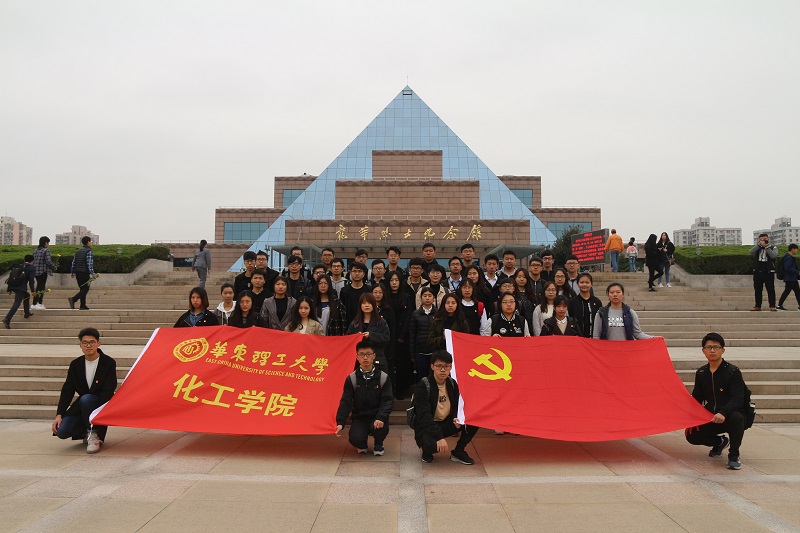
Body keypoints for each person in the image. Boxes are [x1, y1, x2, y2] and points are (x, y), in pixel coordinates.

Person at [685, 332, 746, 470]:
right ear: (703, 351)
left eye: (716, 347)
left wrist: (723, 412)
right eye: (708, 347)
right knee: (691, 434)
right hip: (711, 415)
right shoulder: (701, 373)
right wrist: (690, 416)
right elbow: (697, 397)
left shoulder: (732, 371)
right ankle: (720, 442)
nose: (712, 350)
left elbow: (738, 398)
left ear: (723, 350)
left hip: (730, 414)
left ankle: (734, 455)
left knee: (737, 418)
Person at [52, 328, 117, 454]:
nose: (88, 346)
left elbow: (109, 389)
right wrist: (59, 414)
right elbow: (67, 390)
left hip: (100, 403)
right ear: (80, 345)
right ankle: (86, 431)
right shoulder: (76, 364)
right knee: (61, 431)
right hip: (83, 404)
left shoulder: (108, 363)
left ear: (98, 344)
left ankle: (94, 435)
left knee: (87, 398)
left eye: (92, 342)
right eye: (85, 343)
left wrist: (99, 414)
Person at [413, 350, 478, 465]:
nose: (443, 370)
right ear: (432, 366)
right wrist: (439, 437)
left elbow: (457, 405)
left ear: (451, 367)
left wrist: (457, 418)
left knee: (473, 422)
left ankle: (458, 451)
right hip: (428, 425)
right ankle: (427, 451)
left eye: (446, 366)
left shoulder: (452, 383)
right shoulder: (423, 385)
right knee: (431, 445)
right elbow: (424, 416)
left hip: (446, 422)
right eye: (439, 366)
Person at [335, 339, 394, 456]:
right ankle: (362, 444)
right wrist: (340, 422)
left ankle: (378, 442)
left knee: (380, 428)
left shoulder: (383, 377)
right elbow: (346, 401)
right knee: (355, 438)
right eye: (362, 354)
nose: (365, 358)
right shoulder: (352, 379)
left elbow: (388, 401)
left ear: (374, 356)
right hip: (360, 417)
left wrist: (381, 417)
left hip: (377, 416)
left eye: (368, 354)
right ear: (357, 357)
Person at [346, 293, 391, 373]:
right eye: (364, 303)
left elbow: (386, 338)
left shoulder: (381, 322)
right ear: (360, 305)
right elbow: (348, 339)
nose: (367, 305)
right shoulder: (355, 323)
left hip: (377, 360)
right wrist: (357, 336)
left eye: (369, 303)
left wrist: (371, 336)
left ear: (374, 305)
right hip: (358, 362)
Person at [386, 270, 413, 399]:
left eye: (396, 280)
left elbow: (409, 317)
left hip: (402, 338)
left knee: (402, 366)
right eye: (391, 280)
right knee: (389, 365)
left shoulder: (406, 297)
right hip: (388, 337)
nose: (394, 283)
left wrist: (402, 335)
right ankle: (389, 390)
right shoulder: (385, 297)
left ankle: (402, 390)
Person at [409, 287, 437, 382]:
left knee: (434, 377)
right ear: (421, 298)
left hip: (434, 352)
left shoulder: (438, 313)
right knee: (422, 377)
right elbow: (412, 334)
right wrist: (412, 353)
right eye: (425, 296)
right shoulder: (415, 314)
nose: (427, 298)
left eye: (430, 296)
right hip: (420, 352)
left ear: (434, 298)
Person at [3, 254, 35, 329]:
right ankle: (7, 319)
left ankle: (27, 312)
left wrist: (9, 289)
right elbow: (31, 281)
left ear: (24, 260)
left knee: (26, 295)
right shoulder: (31, 268)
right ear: (32, 261)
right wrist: (33, 290)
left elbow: (11, 277)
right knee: (17, 303)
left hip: (14, 286)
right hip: (21, 288)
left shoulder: (18, 266)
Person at [568, 273, 603, 338]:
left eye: (587, 282)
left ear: (591, 284)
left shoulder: (597, 302)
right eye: (581, 282)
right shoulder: (572, 302)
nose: (584, 284)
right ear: (577, 284)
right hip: (578, 338)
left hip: (594, 338)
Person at [750, 233, 778, 311]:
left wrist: (767, 247)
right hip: (758, 271)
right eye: (761, 239)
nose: (763, 241)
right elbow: (751, 252)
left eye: (765, 239)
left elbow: (773, 256)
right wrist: (759, 245)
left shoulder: (773, 247)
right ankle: (757, 305)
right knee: (758, 289)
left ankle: (772, 305)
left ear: (768, 239)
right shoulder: (757, 248)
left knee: (770, 289)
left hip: (769, 272)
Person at [68, 236, 96, 310]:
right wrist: (93, 273)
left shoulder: (78, 251)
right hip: (84, 273)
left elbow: (74, 262)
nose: (91, 243)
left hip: (78, 273)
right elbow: (89, 264)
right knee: (86, 289)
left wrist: (72, 272)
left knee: (82, 289)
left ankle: (82, 305)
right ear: (88, 242)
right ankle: (73, 299)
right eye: (90, 241)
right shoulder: (88, 251)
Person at [32, 236, 57, 310]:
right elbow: (48, 261)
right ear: (45, 243)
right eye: (48, 243)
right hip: (43, 271)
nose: (48, 244)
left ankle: (36, 303)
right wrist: (54, 267)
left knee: (39, 287)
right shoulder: (46, 250)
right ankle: (37, 303)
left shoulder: (35, 251)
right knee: (41, 288)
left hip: (35, 271)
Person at [776, 244, 800, 311]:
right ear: (792, 249)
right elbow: (788, 268)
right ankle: (779, 305)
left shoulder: (788, 257)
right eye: (796, 249)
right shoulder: (788, 257)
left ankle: (779, 305)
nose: (797, 251)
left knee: (797, 292)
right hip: (790, 278)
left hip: (792, 278)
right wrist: (797, 272)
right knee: (788, 291)